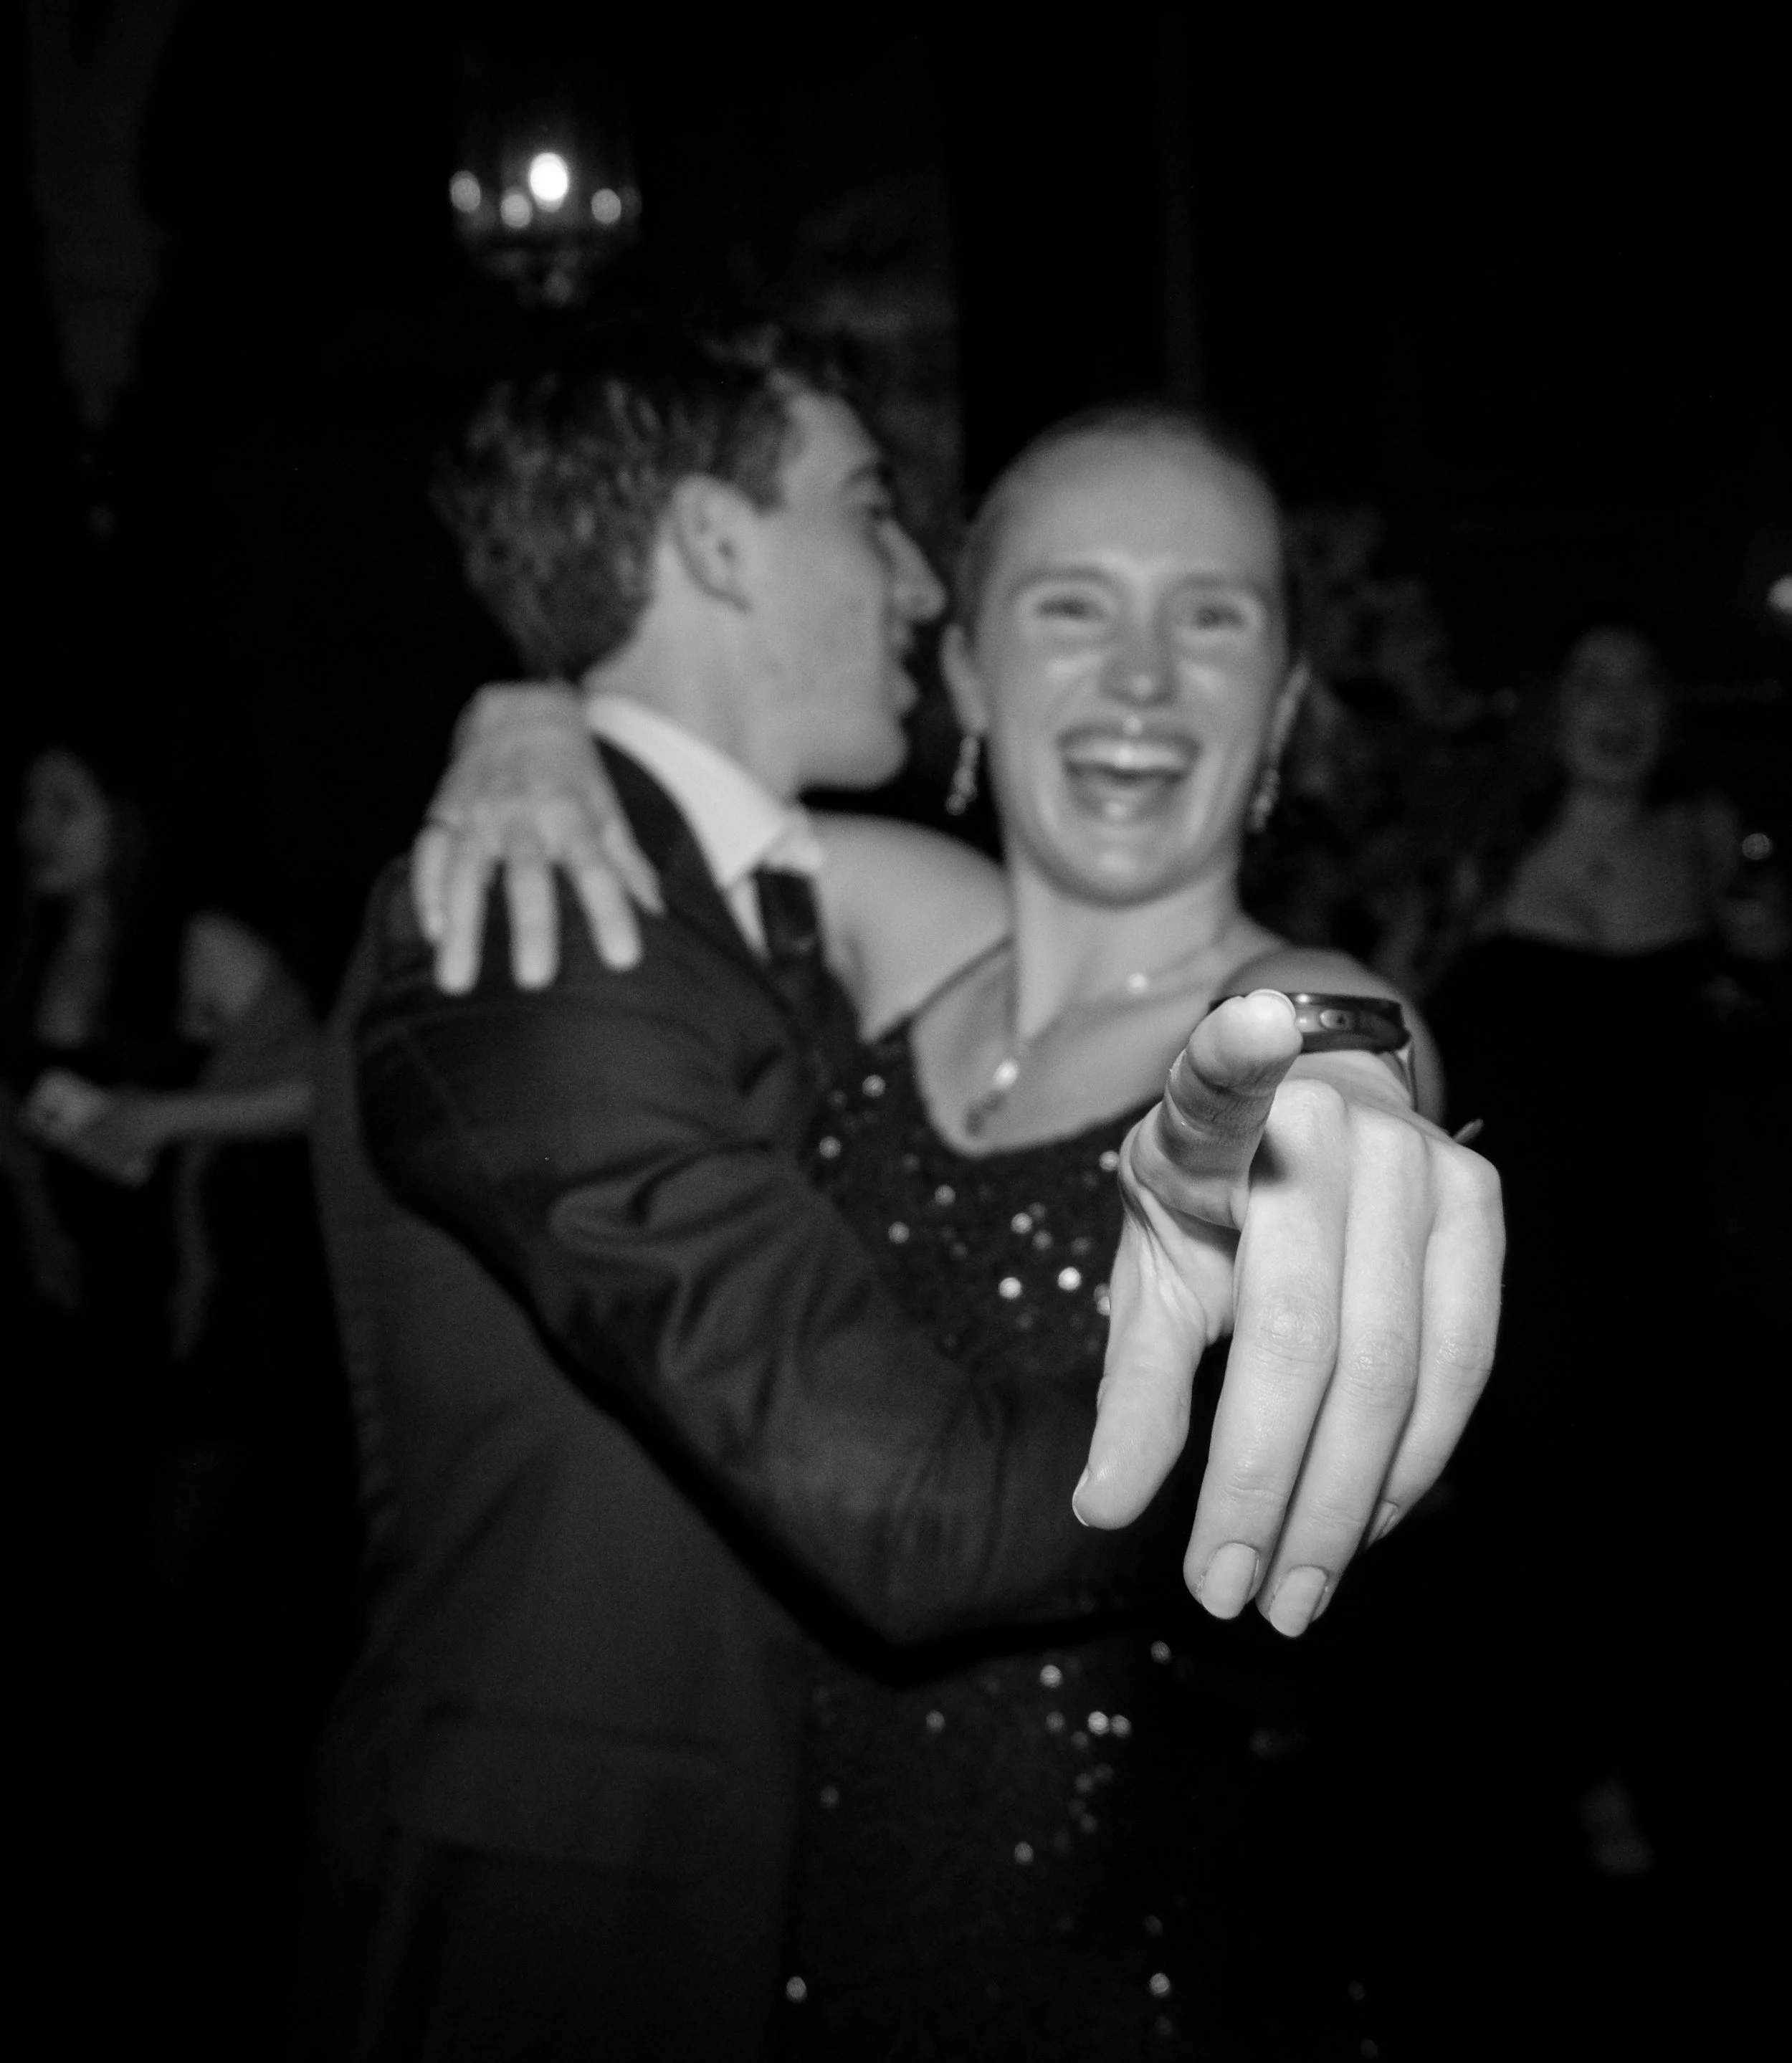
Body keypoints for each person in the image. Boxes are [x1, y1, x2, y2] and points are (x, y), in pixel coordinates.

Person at [383, 339, 1500, 2058]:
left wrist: (1353, 1081)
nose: (1142, 675)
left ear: (1280, 705)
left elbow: (1337, 1044)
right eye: (1070, 608)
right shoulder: (893, 925)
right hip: (775, 1930)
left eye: (1211, 617)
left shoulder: (1288, 1002)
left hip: (1115, 1951)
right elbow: (664, 772)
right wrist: (523, 711)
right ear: (963, 674)